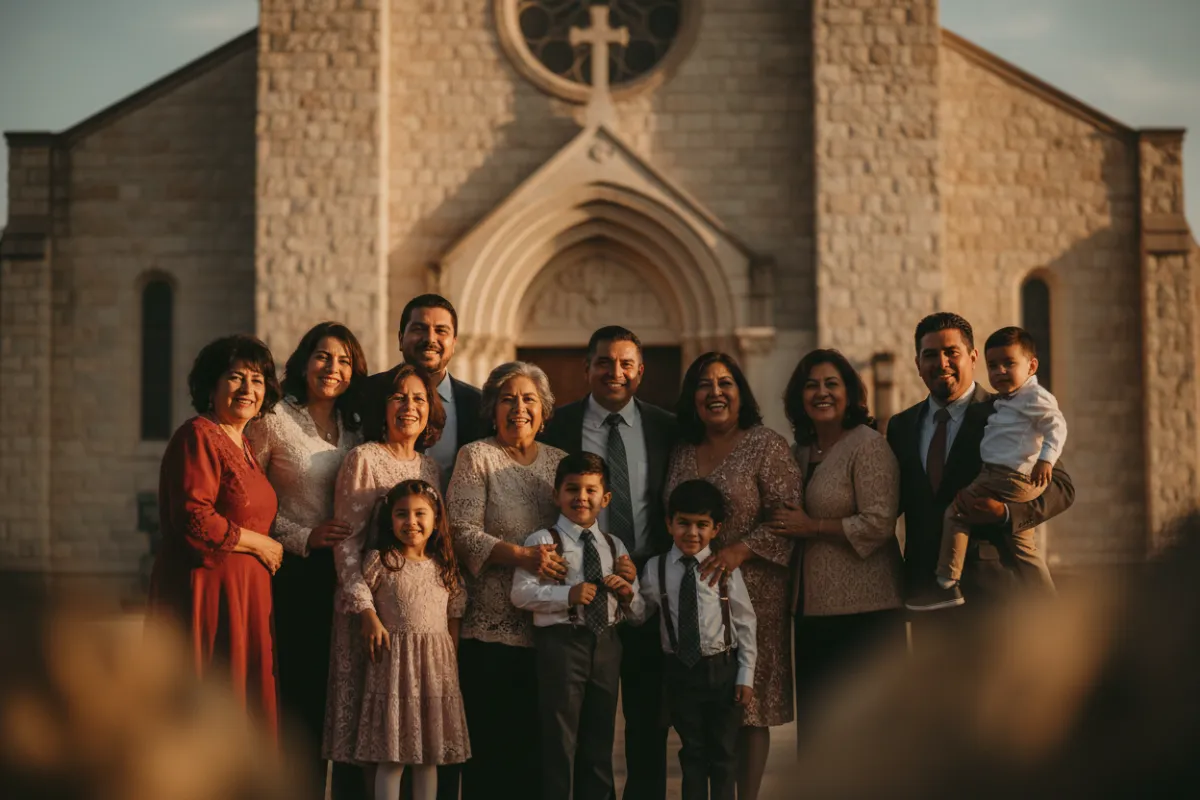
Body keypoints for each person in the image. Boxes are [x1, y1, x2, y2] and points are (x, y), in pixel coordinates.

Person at [540, 326, 677, 800]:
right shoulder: (557, 425)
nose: (613, 372)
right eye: (603, 362)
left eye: (625, 364)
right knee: (579, 730)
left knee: (648, 722)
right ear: (587, 369)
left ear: (640, 371)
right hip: (579, 602)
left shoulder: (666, 426)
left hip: (643, 590)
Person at [664, 352, 802, 800]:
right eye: (705, 385)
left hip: (755, 591)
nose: (716, 393)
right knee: (707, 712)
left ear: (742, 393)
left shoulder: (767, 445)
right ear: (693, 397)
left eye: (726, 383)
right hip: (693, 596)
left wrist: (740, 551)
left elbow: (789, 518)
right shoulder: (683, 449)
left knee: (748, 704)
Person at [886, 313, 1075, 632]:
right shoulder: (901, 426)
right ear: (918, 364)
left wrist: (1006, 514)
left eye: (951, 352)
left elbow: (1063, 489)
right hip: (925, 601)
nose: (941, 362)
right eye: (930, 354)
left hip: (994, 598)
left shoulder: (1008, 411)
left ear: (973, 358)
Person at [247, 322, 368, 797]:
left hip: (353, 577)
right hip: (296, 574)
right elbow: (248, 500)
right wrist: (304, 536)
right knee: (302, 695)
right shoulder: (272, 419)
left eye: (342, 360)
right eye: (322, 356)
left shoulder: (358, 429)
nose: (332, 368)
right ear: (303, 362)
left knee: (351, 697)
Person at [148, 335, 284, 739]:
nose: (248, 389)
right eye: (235, 378)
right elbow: (194, 518)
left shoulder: (243, 444)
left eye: (257, 380)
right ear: (211, 385)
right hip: (206, 594)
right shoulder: (198, 436)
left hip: (247, 597)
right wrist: (260, 543)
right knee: (207, 712)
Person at [767, 349, 905, 741]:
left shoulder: (868, 445)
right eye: (811, 385)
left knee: (867, 738)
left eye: (831, 384)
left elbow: (878, 522)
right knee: (820, 735)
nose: (821, 393)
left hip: (866, 612)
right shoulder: (800, 452)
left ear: (849, 393)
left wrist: (812, 527)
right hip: (812, 613)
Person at [446, 361, 569, 800]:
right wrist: (524, 557)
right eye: (508, 399)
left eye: (529, 398)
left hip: (553, 634)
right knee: (493, 757)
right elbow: (460, 533)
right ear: (492, 410)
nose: (519, 407)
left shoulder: (561, 464)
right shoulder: (476, 456)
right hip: (490, 631)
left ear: (545, 410)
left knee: (541, 759)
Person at [324, 365, 443, 795]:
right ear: (383, 408)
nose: (409, 407)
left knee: (414, 739)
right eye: (399, 398)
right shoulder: (364, 459)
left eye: (419, 398)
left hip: (418, 630)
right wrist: (366, 612)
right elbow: (347, 545)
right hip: (370, 624)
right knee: (373, 737)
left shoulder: (431, 468)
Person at [511, 452, 645, 800]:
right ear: (556, 495)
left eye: (590, 490)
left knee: (600, 739)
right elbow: (521, 594)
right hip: (561, 645)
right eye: (572, 489)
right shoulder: (543, 541)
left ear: (606, 498)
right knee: (560, 740)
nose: (581, 498)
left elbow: (640, 611)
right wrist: (566, 595)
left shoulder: (615, 545)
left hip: (606, 644)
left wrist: (629, 594)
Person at [640, 479, 756, 800]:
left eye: (702, 525)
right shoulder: (655, 569)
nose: (692, 533)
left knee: (723, 754)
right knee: (691, 754)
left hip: (723, 670)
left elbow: (746, 623)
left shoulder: (725, 568)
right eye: (684, 523)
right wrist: (624, 591)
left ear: (716, 529)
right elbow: (638, 613)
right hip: (680, 673)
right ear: (669, 523)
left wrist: (745, 675)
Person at [354, 480, 470, 800]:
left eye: (421, 513)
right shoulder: (382, 560)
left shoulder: (444, 567)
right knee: (393, 759)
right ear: (390, 520)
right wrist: (372, 618)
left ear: (435, 519)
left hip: (434, 674)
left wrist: (450, 666)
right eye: (401, 514)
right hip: (395, 670)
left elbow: (453, 618)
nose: (412, 522)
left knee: (427, 759)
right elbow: (358, 591)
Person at [361, 294, 486, 488]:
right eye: (419, 329)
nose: (430, 339)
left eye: (441, 331)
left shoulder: (478, 405)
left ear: (454, 343)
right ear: (401, 339)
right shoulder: (366, 393)